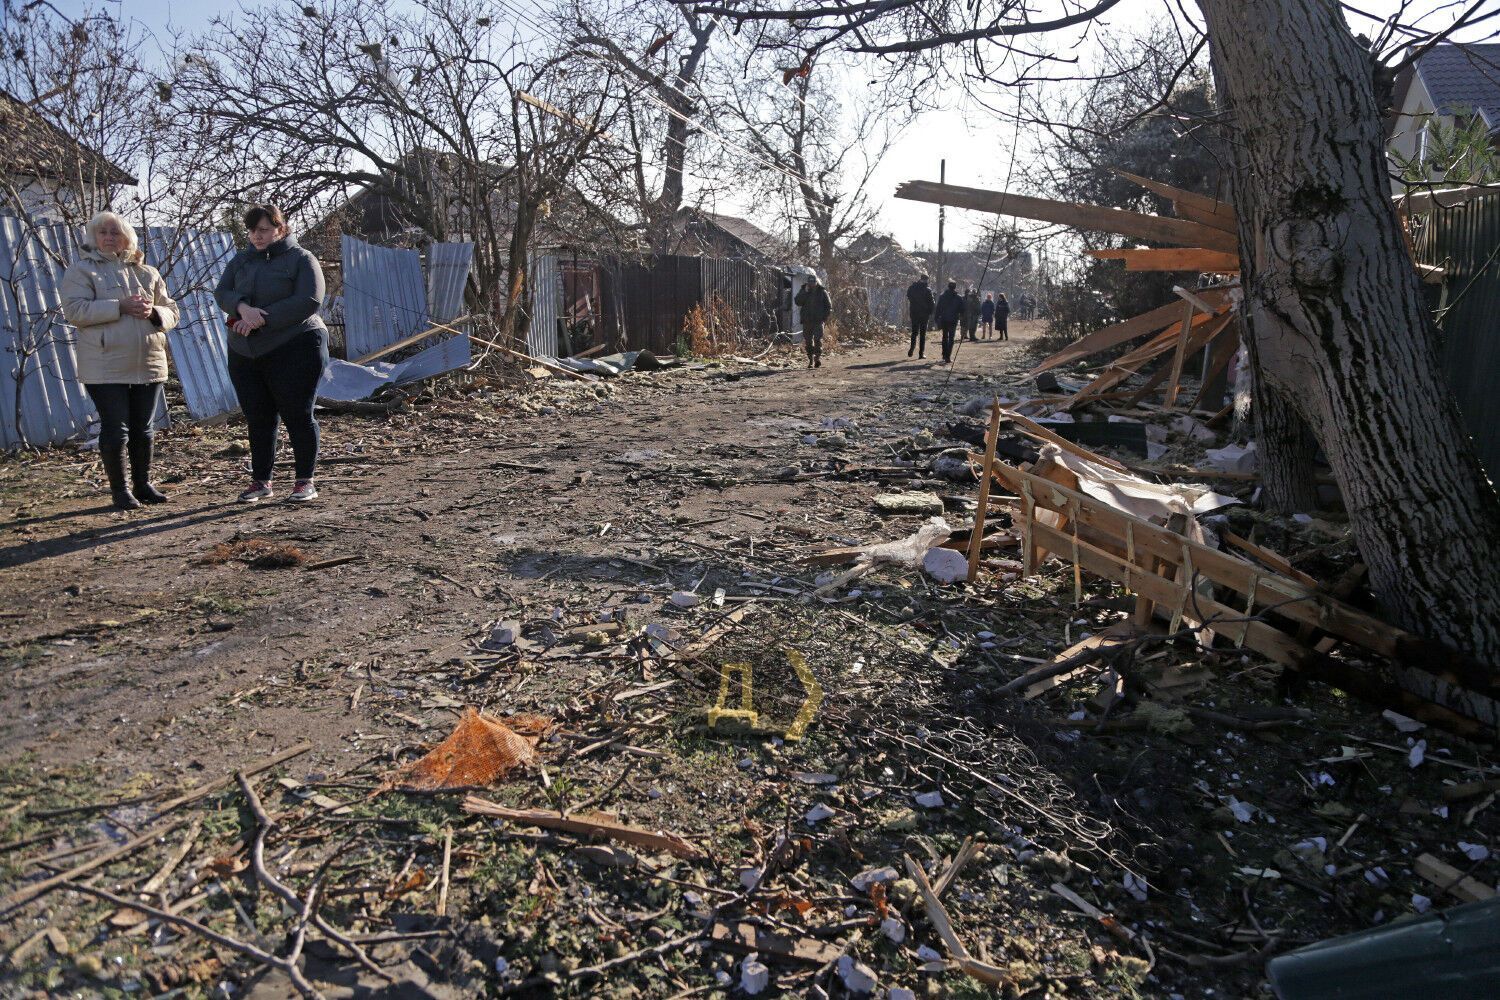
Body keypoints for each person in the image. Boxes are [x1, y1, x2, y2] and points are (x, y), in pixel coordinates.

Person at [62, 211, 181, 511]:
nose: (109, 237)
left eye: (115, 232)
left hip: (149, 360)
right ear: (94, 237)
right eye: (103, 232)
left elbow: (172, 311)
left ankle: (143, 485)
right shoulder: (82, 271)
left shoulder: (147, 272)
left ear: (127, 236)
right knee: (117, 429)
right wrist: (120, 306)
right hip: (104, 363)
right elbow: (74, 311)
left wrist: (154, 313)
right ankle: (120, 491)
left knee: (144, 429)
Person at [215, 204, 329, 503]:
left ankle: (305, 481)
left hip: (296, 345)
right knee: (258, 417)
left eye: (264, 229)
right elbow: (222, 292)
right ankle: (261, 481)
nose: (257, 236)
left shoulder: (301, 259)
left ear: (280, 228)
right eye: (252, 230)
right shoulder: (241, 261)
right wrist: (242, 308)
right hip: (245, 349)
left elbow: (309, 299)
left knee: (298, 413)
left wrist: (263, 317)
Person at [794, 275, 832, 369]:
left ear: (816, 282)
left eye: (813, 282)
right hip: (807, 320)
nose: (812, 284)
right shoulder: (804, 290)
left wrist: (824, 318)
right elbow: (798, 301)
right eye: (810, 282)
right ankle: (810, 359)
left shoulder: (822, 292)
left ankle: (817, 358)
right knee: (808, 341)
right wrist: (805, 292)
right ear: (808, 283)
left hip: (818, 320)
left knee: (817, 339)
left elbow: (829, 306)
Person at [933, 279, 964, 364]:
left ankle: (944, 354)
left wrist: (936, 318)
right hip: (953, 320)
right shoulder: (958, 298)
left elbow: (938, 308)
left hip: (944, 319)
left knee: (944, 337)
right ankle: (948, 356)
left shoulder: (942, 296)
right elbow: (962, 310)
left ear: (948, 287)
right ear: (955, 287)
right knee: (951, 338)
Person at [905, 274, 934, 358]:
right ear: (926, 280)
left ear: (920, 279)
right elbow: (932, 303)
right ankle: (921, 353)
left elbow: (908, 296)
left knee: (914, 332)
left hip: (914, 313)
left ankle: (912, 349)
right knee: (922, 334)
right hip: (924, 315)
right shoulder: (928, 290)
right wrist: (930, 312)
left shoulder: (912, 287)